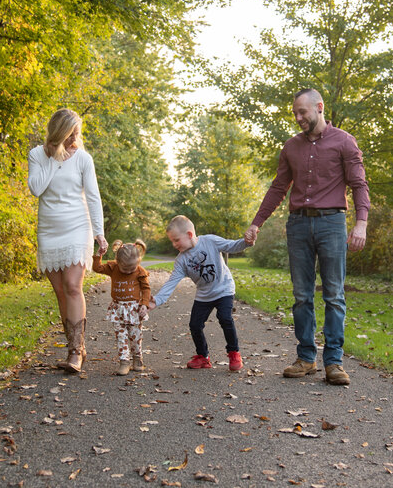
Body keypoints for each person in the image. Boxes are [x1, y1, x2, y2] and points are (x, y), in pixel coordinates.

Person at [244, 88, 370, 385]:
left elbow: (359, 185)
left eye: (303, 112)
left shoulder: (344, 141)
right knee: (302, 296)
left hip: (332, 224)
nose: (299, 118)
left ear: (319, 107)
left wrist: (361, 223)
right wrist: (257, 222)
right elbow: (278, 188)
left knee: (334, 295)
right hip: (298, 225)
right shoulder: (291, 147)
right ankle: (305, 358)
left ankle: (334, 362)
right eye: (295, 113)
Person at [27, 108, 108, 373]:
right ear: (60, 133)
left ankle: (76, 352)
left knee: (73, 286)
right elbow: (37, 188)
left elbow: (93, 196)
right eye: (71, 133)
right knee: (61, 291)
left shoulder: (83, 158)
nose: (76, 138)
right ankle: (75, 346)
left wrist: (99, 232)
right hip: (49, 229)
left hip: (77, 225)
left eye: (77, 133)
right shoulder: (38, 155)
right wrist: (55, 156)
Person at [148, 215, 251, 371]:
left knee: (225, 318)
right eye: (172, 241)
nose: (174, 244)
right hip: (204, 295)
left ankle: (233, 352)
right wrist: (156, 300)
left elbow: (231, 246)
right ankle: (203, 357)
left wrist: (246, 242)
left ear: (189, 235)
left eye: (176, 240)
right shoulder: (181, 260)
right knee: (195, 325)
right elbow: (171, 283)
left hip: (224, 289)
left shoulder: (210, 241)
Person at [92, 239, 151, 375]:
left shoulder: (140, 272)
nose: (128, 271)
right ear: (117, 262)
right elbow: (97, 268)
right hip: (118, 308)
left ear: (138, 262)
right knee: (121, 336)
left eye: (132, 268)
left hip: (134, 309)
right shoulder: (113, 268)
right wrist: (98, 255)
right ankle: (124, 361)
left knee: (135, 336)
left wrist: (144, 304)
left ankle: (137, 358)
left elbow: (146, 289)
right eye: (125, 268)